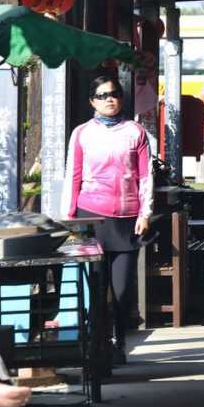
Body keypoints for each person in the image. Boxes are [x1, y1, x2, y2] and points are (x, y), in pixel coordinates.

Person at [60, 73, 154, 365]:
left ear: (122, 97)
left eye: (113, 94)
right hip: (91, 216)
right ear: (92, 101)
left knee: (123, 289)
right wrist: (69, 217)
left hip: (127, 217)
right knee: (96, 290)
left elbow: (145, 175)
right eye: (102, 95)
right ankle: (97, 345)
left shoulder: (135, 132)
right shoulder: (82, 133)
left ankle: (118, 338)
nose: (109, 99)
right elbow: (72, 175)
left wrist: (145, 212)